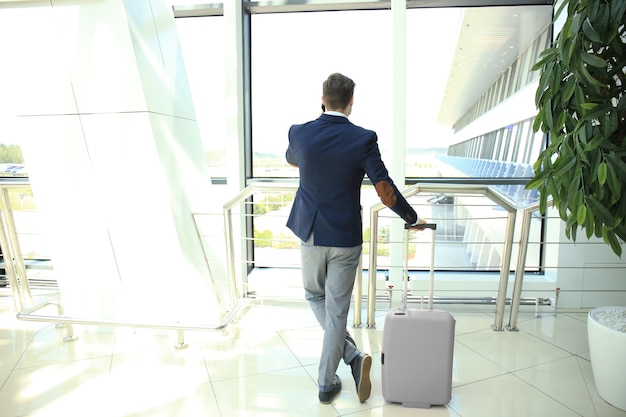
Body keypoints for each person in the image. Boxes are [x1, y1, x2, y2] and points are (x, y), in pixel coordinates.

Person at [286, 72, 426, 404]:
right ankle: (344, 362)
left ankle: (332, 377)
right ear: (351, 102)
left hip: (310, 232)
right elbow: (385, 190)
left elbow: (292, 158)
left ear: (322, 100)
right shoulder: (363, 139)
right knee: (336, 311)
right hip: (345, 237)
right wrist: (412, 218)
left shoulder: (299, 132)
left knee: (314, 297)